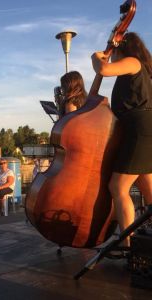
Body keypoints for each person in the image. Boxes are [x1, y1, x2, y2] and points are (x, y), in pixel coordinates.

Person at [92, 32, 152, 251]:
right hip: (141, 129)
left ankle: (128, 244)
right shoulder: (141, 70)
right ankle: (139, 245)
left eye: (114, 51)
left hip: (140, 130)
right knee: (149, 190)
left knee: (117, 187)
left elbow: (104, 69)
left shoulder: (133, 62)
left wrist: (97, 56)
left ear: (121, 49)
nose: (113, 56)